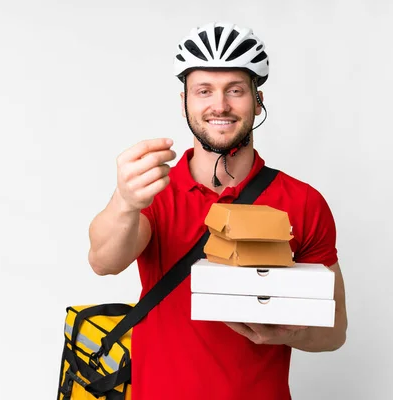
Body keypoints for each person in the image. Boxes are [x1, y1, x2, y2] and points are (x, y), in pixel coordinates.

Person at [88, 22, 348, 400]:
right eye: (204, 91)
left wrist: (284, 333)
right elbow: (103, 261)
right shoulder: (154, 193)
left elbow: (335, 331)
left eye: (236, 91)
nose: (220, 105)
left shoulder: (303, 202)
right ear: (184, 103)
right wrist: (124, 201)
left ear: (258, 101)